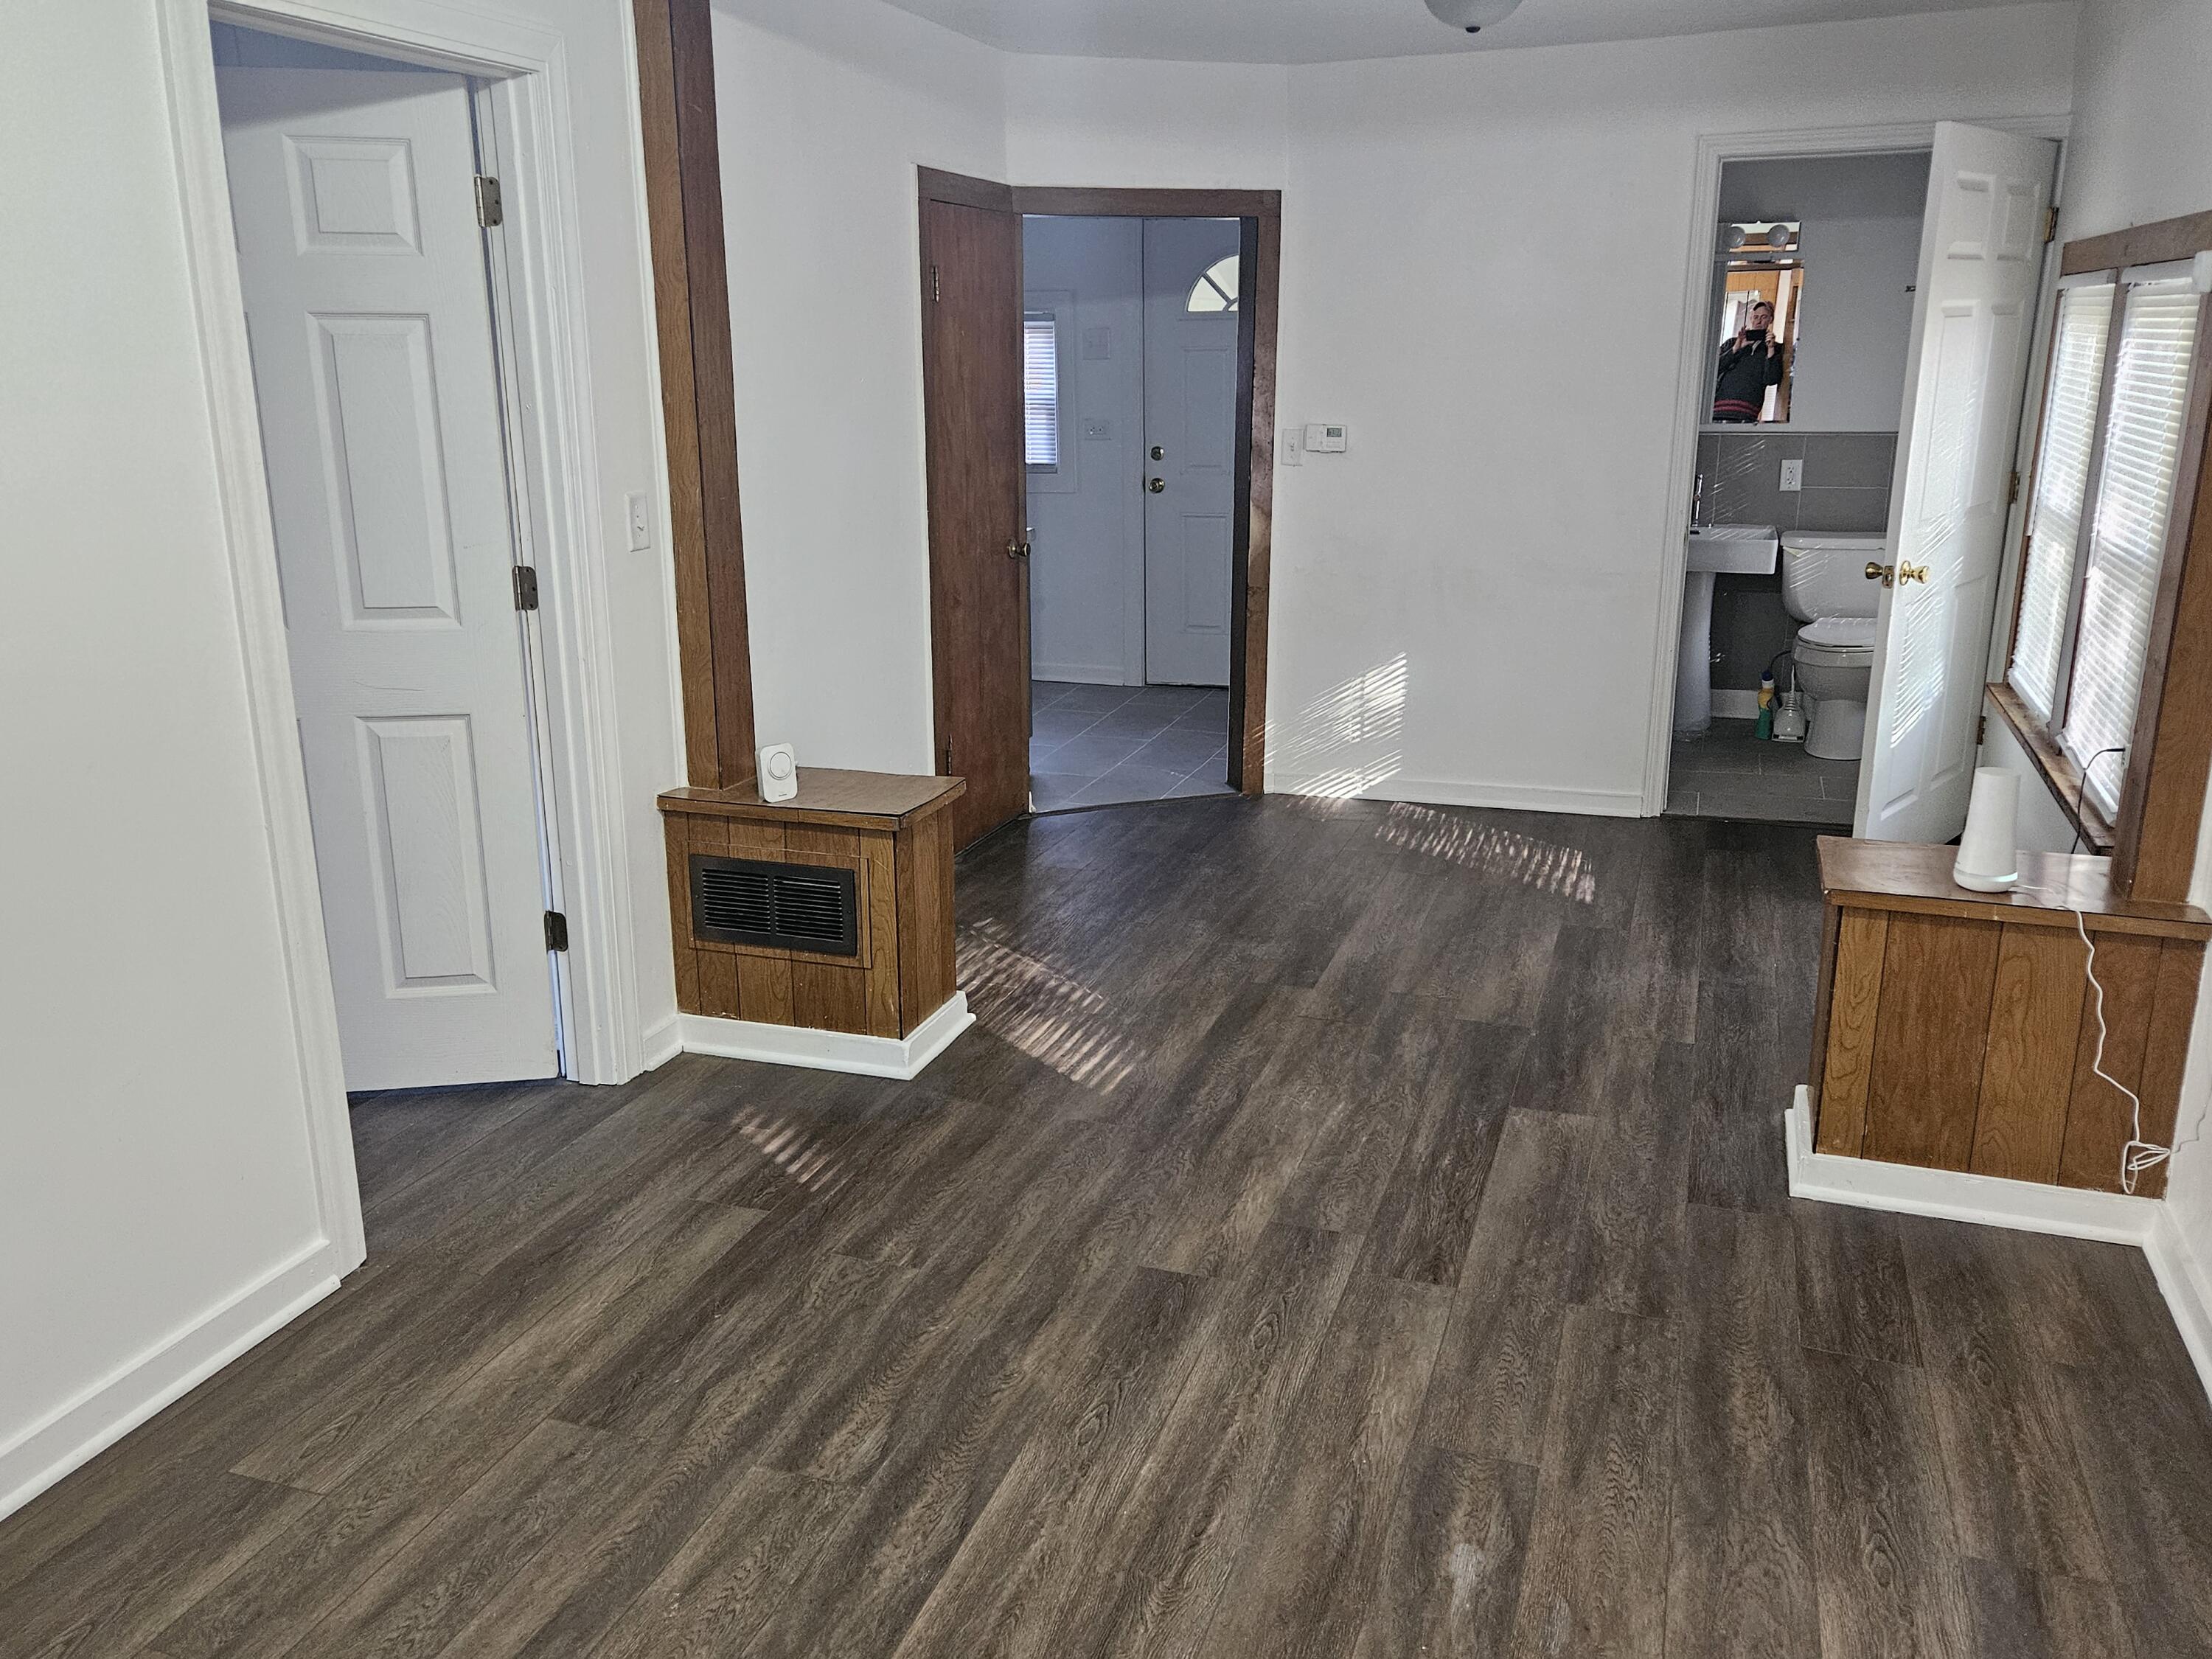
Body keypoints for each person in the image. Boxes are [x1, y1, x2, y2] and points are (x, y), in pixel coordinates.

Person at [1713, 299, 1785, 422]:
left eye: (1764, 317)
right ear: (1751, 319)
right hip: (1718, 408)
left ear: (1770, 320)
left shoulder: (1775, 348)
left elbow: (1771, 379)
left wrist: (1771, 349)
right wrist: (1737, 348)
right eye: (1755, 317)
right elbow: (1714, 369)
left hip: (1747, 412)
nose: (1759, 321)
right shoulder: (1732, 343)